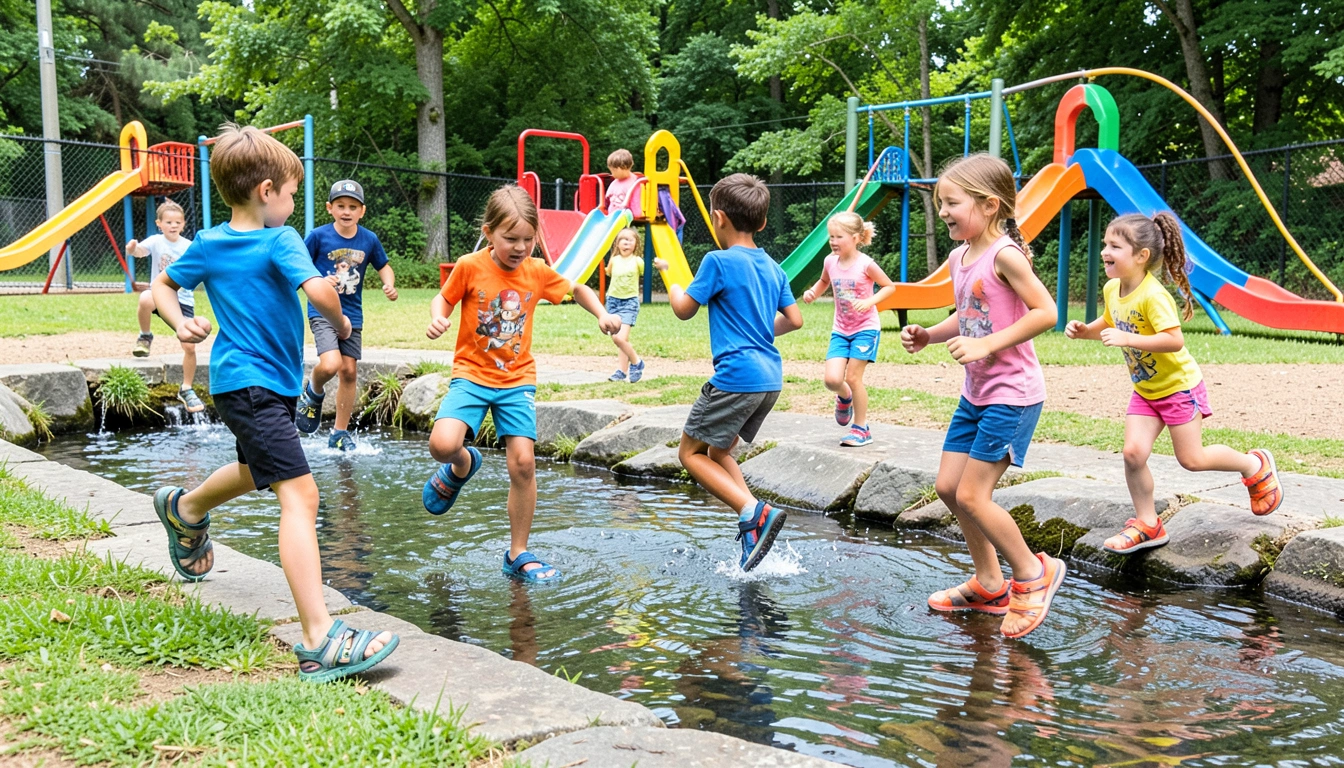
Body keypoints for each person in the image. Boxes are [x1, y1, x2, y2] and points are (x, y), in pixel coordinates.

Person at [150, 123, 398, 682]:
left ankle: (184, 509)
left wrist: (181, 321)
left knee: (250, 469)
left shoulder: (209, 242)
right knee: (302, 495)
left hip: (244, 384)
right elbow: (320, 291)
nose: (292, 204)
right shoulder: (280, 240)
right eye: (290, 193)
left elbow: (161, 287)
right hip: (259, 386)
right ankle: (318, 638)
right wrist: (336, 322)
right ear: (267, 191)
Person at [423, 185, 622, 583]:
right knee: (442, 445)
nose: (520, 247)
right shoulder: (469, 265)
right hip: (472, 374)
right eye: (510, 239)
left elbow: (578, 288)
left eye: (528, 239)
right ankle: (462, 466)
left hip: (517, 380)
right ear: (489, 232)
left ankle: (518, 553)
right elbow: (444, 299)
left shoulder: (536, 271)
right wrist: (438, 317)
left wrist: (601, 313)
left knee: (524, 464)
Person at [899, 153, 1061, 639]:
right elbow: (969, 315)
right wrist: (930, 334)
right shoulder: (960, 256)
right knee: (949, 488)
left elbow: (1047, 311)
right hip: (977, 395)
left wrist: (987, 345)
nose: (943, 212)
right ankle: (990, 583)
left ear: (990, 205)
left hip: (1012, 396)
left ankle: (1033, 574)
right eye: (940, 203)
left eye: (952, 203)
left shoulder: (1005, 255)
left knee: (973, 493)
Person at [1065, 212, 1283, 553]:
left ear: (1141, 256)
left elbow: (1173, 340)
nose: (1105, 250)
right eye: (1105, 243)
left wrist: (1127, 339)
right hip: (1146, 390)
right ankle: (1148, 523)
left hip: (1179, 388)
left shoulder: (1154, 296)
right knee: (1133, 453)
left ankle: (1254, 465)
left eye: (1114, 246)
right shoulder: (1112, 288)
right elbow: (1109, 322)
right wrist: (1085, 332)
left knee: (1192, 459)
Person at [655, 173, 804, 573]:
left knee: (690, 454)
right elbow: (795, 319)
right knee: (720, 452)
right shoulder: (773, 267)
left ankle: (751, 511)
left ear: (718, 217)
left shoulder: (717, 261)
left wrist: (670, 280)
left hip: (736, 378)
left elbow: (684, 308)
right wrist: (757, 330)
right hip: (769, 380)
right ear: (762, 223)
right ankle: (754, 524)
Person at [293, 180, 398, 451]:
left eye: (353, 206)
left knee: (349, 371)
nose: (346, 211)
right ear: (330, 208)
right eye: (340, 206)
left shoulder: (369, 239)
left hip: (353, 313)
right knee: (330, 365)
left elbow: (383, 265)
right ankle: (313, 390)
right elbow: (299, 265)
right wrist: (316, 280)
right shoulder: (318, 236)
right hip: (322, 309)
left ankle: (339, 433)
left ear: (362, 211)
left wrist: (389, 283)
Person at [801, 211, 896, 447]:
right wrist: (814, 292)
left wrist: (869, 301)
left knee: (853, 376)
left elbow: (889, 287)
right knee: (832, 380)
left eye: (839, 236)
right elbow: (824, 281)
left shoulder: (866, 264)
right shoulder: (829, 261)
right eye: (831, 236)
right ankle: (845, 397)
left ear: (855, 238)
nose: (833, 241)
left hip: (866, 328)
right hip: (841, 330)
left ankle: (861, 428)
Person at [128, 200, 205, 414]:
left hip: (183, 301)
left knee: (189, 346)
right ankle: (145, 336)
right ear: (159, 224)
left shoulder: (189, 246)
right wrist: (133, 248)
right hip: (161, 296)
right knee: (145, 297)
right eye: (169, 222)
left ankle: (186, 388)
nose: (173, 225)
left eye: (177, 222)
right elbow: (140, 252)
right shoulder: (155, 241)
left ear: (183, 224)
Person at [604, 226, 647, 382]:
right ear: (617, 244)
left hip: (629, 303)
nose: (626, 243)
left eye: (630, 240)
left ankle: (637, 362)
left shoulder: (638, 262)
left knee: (619, 338)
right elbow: (608, 272)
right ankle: (622, 372)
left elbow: (643, 273)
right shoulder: (614, 261)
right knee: (621, 339)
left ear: (636, 244)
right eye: (622, 239)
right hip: (613, 302)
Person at [603, 149, 644, 219]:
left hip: (625, 218)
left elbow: (636, 201)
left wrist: (636, 214)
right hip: (612, 218)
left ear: (623, 167)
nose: (612, 174)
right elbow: (607, 200)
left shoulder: (634, 182)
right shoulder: (614, 183)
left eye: (614, 170)